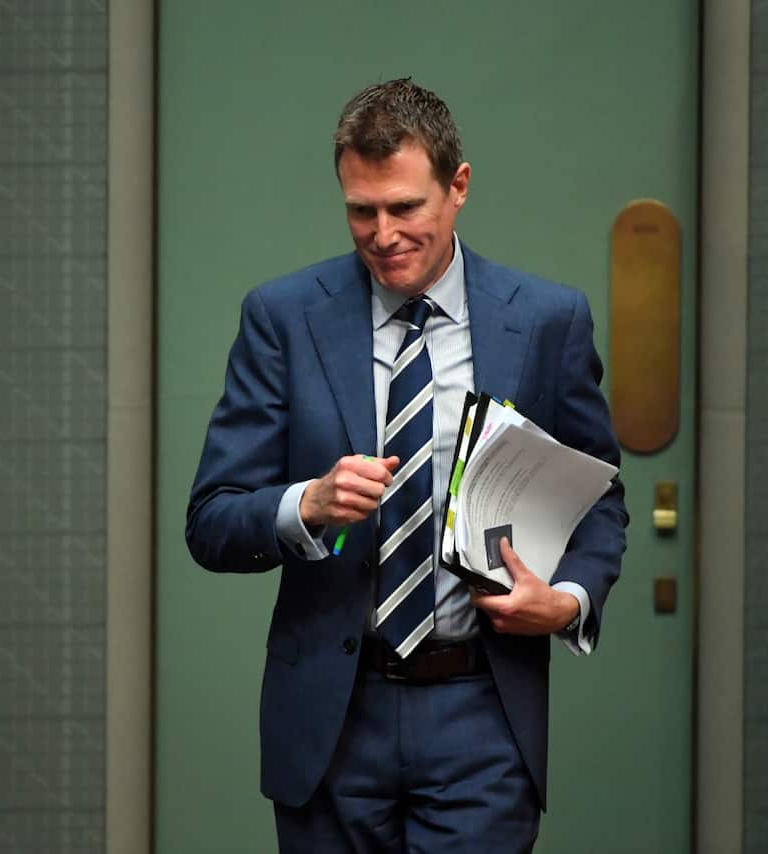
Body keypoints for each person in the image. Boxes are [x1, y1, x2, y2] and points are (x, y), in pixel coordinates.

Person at [186, 77, 628, 852]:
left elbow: (600, 499)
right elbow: (212, 520)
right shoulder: (284, 318)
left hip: (481, 714)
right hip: (330, 716)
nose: (382, 233)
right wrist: (306, 505)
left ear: (457, 187)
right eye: (362, 210)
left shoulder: (547, 320)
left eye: (404, 208)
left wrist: (568, 602)